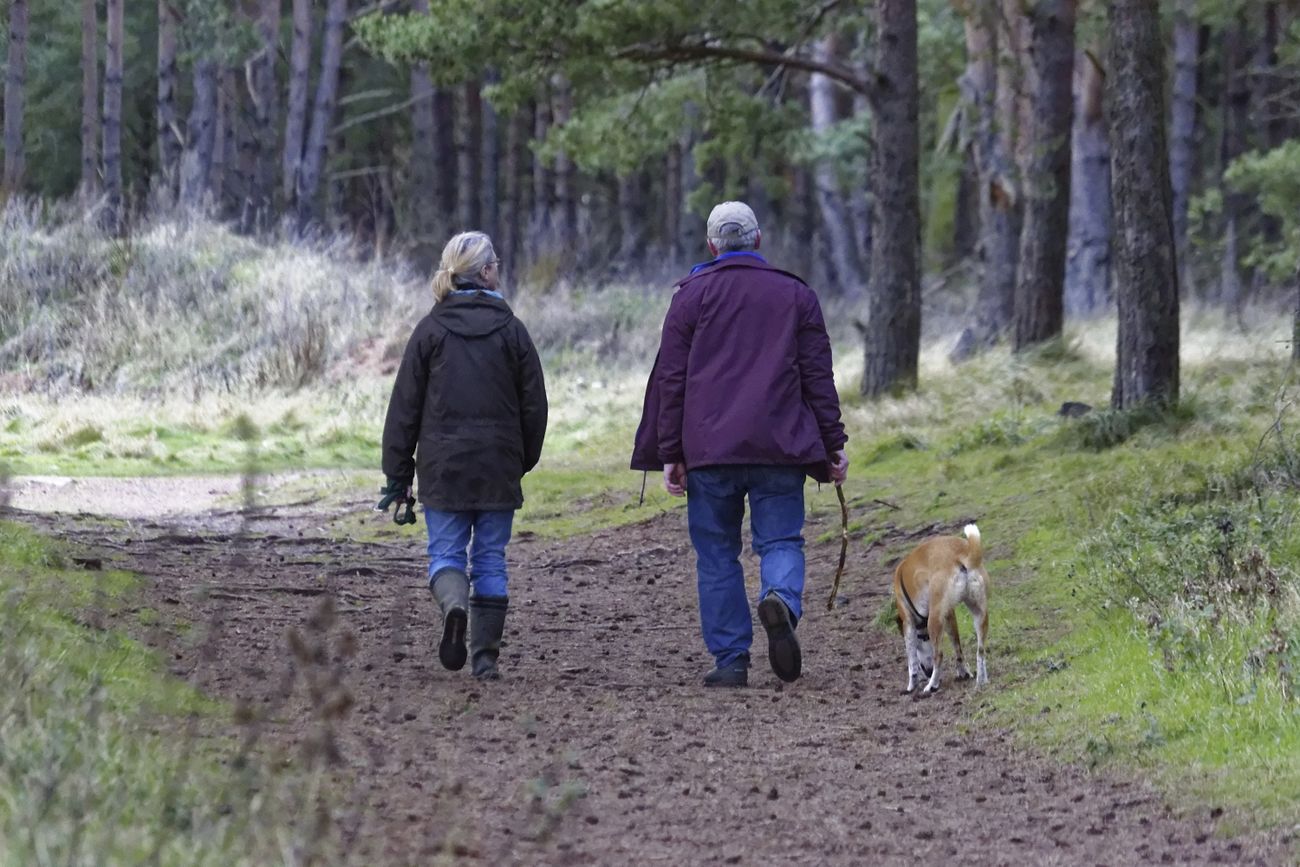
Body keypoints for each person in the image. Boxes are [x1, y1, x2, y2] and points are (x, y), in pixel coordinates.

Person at [631, 202, 848, 688]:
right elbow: (818, 377)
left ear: (711, 246)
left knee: (716, 555)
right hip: (780, 447)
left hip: (710, 453)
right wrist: (833, 443)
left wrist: (670, 453)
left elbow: (672, 379)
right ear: (758, 240)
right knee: (781, 541)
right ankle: (781, 602)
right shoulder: (795, 295)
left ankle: (731, 660)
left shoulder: (689, 298)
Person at [378, 231, 547, 680]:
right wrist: (521, 460)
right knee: (490, 558)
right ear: (487, 272)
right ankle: (485, 656)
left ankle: (454, 605)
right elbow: (535, 405)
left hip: (443, 467)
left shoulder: (430, 330)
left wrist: (398, 476)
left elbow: (404, 409)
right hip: (497, 465)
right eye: (496, 264)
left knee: (447, 556)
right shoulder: (512, 330)